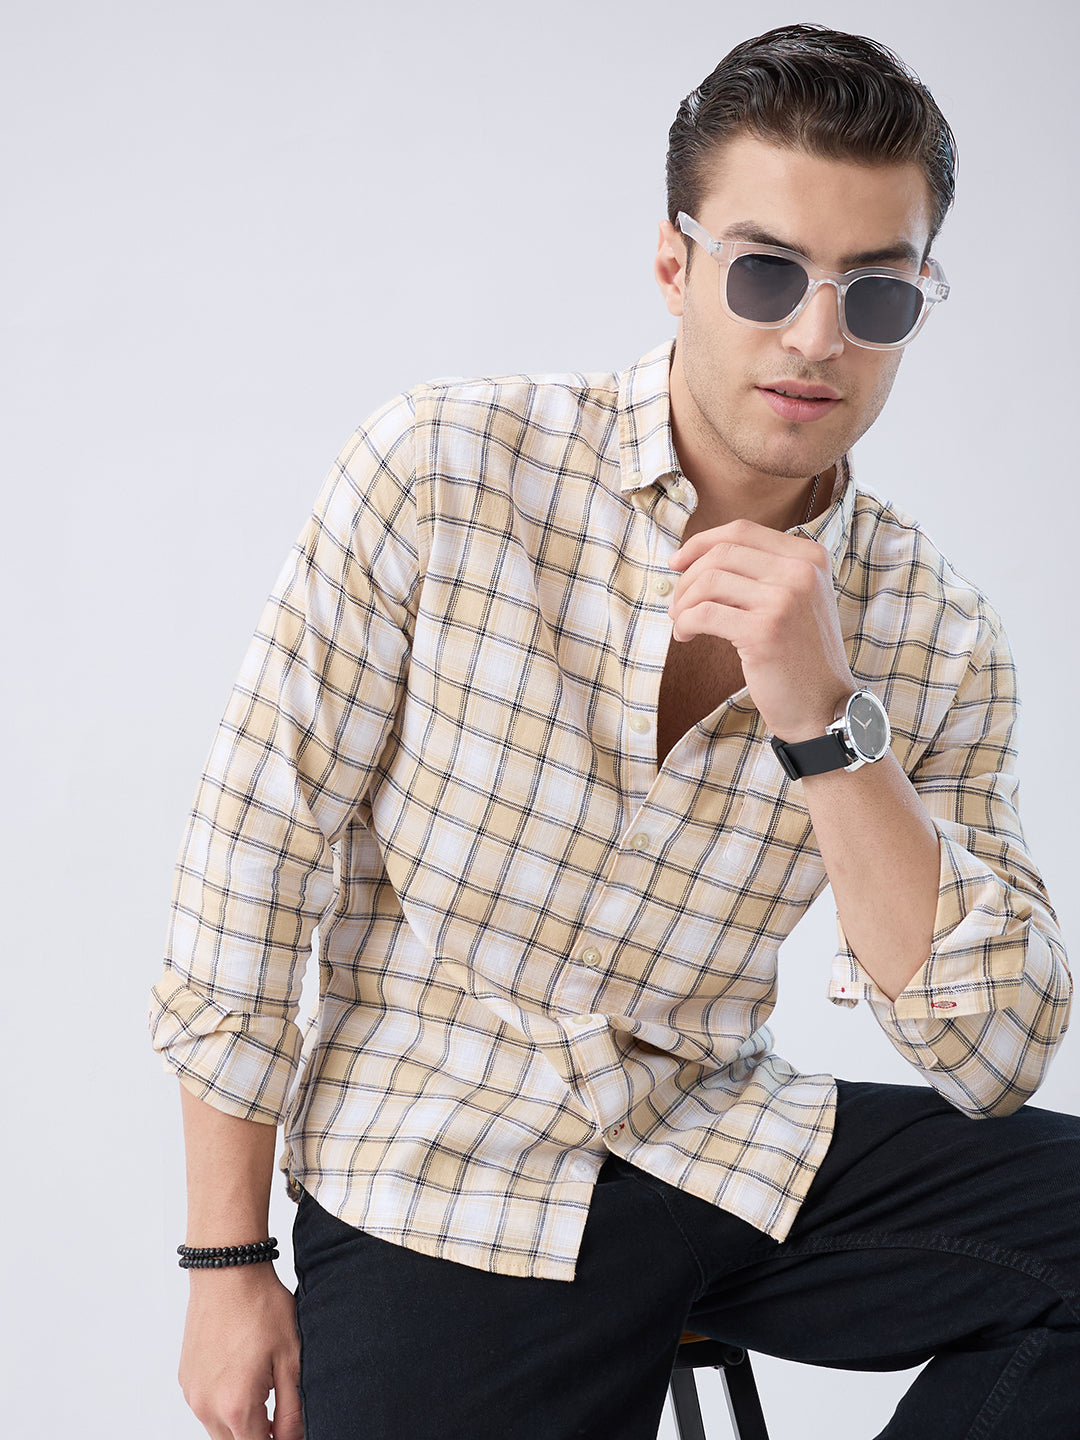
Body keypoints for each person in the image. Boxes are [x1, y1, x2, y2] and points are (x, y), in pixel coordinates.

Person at [150, 23, 1077, 1440]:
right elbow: (253, 865)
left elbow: (995, 1052)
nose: (816, 338)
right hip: (443, 1167)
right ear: (674, 264)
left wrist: (827, 722)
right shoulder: (447, 473)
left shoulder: (932, 631)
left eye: (877, 294)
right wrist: (225, 1264)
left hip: (719, 1139)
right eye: (766, 274)